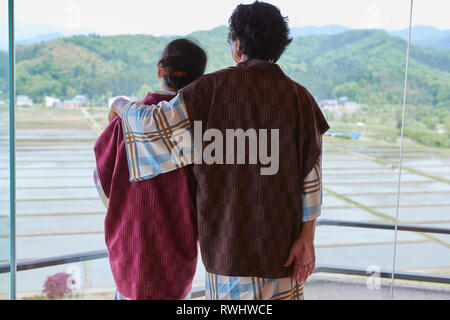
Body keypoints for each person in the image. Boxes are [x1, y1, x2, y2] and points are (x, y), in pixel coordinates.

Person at [110, 1, 329, 300]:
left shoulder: (210, 90)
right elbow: (311, 176)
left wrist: (119, 103)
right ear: (280, 46)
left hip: (228, 251)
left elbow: (151, 126)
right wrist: (307, 236)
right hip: (283, 251)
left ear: (237, 46)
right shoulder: (300, 99)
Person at [94, 38, 207, 300]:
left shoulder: (124, 122)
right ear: (199, 78)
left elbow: (104, 188)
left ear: (160, 71)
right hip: (175, 250)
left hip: (131, 248)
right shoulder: (200, 127)